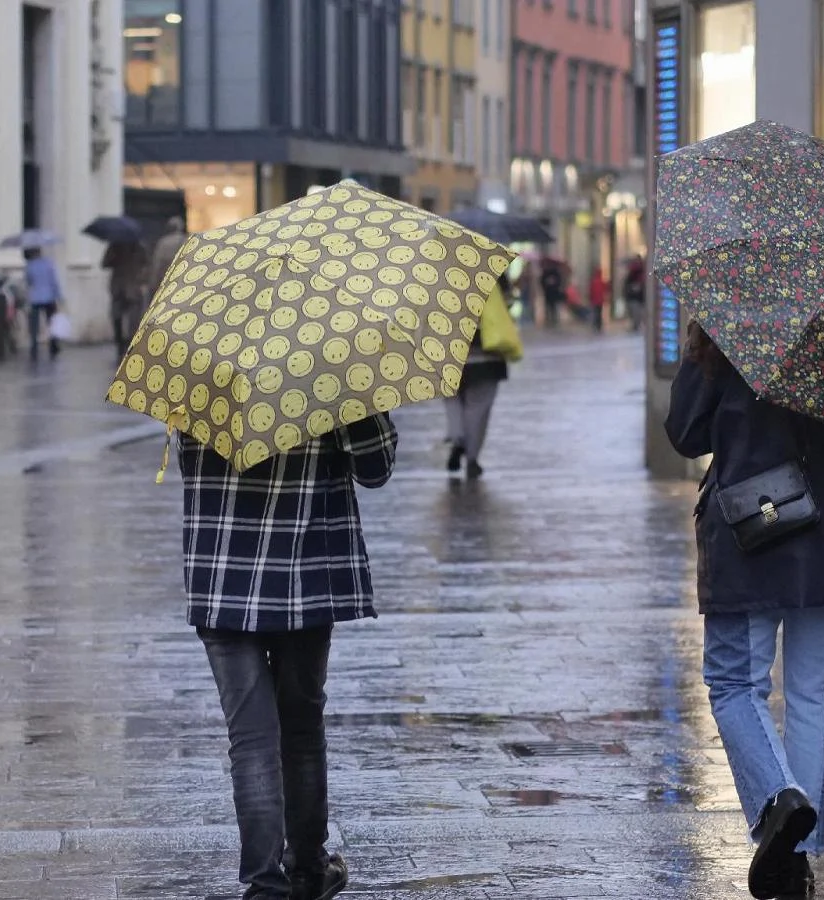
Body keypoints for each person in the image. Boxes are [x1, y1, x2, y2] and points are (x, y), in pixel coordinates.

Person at [664, 323, 824, 900]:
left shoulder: (723, 327)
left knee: (734, 684)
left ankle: (779, 798)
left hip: (747, 530)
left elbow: (683, 432)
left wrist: (700, 355)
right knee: (811, 694)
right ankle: (797, 857)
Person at [180, 413, 397, 900]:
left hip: (221, 577)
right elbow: (376, 468)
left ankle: (265, 885)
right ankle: (306, 870)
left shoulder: (200, 363)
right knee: (300, 728)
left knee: (251, 739)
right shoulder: (335, 367)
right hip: (306, 578)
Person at [446, 275, 521, 480]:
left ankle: (457, 436)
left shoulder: (441, 272)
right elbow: (509, 307)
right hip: (487, 355)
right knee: (477, 409)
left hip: (450, 353)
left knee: (451, 399)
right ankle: (471, 458)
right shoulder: (495, 273)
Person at [104, 240, 149, 358]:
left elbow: (146, 265)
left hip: (133, 287)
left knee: (133, 321)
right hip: (118, 288)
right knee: (116, 317)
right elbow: (104, 263)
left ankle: (130, 346)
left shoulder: (140, 247)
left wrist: (142, 279)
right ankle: (120, 345)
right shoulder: (114, 246)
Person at [22, 247, 63, 359]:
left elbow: (28, 281)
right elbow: (54, 281)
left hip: (35, 298)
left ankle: (34, 348)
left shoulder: (29, 265)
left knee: (34, 325)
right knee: (51, 323)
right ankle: (53, 345)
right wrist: (59, 296)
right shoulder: (49, 264)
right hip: (49, 297)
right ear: (40, 252)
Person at [149, 215, 189, 295]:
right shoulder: (187, 240)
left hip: (165, 279)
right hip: (182, 278)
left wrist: (153, 282)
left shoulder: (163, 242)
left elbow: (157, 263)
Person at [538, 260, 566, 328]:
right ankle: (549, 319)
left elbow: (559, 281)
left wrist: (554, 283)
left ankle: (554, 319)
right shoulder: (545, 272)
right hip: (548, 292)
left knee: (553, 307)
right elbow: (542, 281)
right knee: (548, 307)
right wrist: (547, 283)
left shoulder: (556, 273)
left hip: (554, 292)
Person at [623, 255, 647, 333]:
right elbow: (627, 285)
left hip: (638, 297)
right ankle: (635, 325)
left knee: (637, 312)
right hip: (633, 297)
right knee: (634, 312)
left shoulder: (642, 272)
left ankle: (636, 326)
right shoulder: (632, 272)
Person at [588, 266, 610, 333]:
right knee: (599, 313)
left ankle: (595, 325)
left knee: (595, 313)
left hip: (595, 300)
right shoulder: (602, 282)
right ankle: (599, 325)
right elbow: (607, 289)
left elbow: (591, 291)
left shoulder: (593, 282)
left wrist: (590, 299)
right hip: (600, 301)